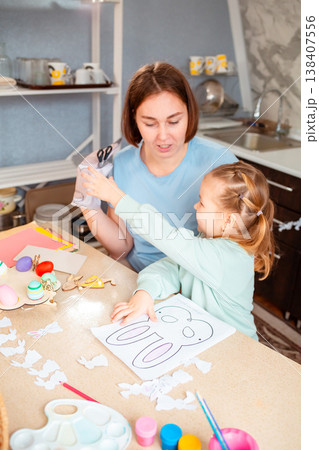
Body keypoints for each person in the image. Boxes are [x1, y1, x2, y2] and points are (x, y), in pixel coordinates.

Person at [81, 161, 275, 340]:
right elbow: (170, 268)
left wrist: (117, 199)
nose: (195, 206)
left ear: (229, 221)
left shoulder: (228, 258)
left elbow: (167, 236)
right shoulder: (208, 242)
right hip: (204, 334)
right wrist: (146, 291)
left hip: (236, 345)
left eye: (202, 203)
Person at [81, 61, 237, 272]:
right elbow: (121, 248)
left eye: (173, 121)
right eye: (150, 123)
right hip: (139, 276)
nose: (163, 137)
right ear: (134, 118)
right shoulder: (122, 163)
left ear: (189, 112)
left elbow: (231, 254)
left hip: (194, 284)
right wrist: (86, 202)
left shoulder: (220, 164)